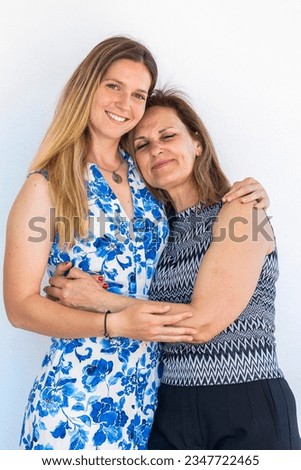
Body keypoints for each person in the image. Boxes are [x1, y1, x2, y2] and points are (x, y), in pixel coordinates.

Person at [3, 35, 269, 451]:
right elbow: (19, 308)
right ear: (86, 87)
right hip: (75, 398)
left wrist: (252, 197)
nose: (125, 104)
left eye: (138, 94)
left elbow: (203, 217)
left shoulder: (148, 178)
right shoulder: (47, 185)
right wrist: (110, 323)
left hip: (148, 402)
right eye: (113, 86)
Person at [47, 88, 300, 450]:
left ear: (197, 143)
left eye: (168, 136)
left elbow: (201, 323)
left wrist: (101, 301)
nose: (157, 150)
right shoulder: (156, 231)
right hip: (168, 409)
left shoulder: (242, 211)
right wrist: (65, 283)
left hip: (245, 404)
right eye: (142, 145)